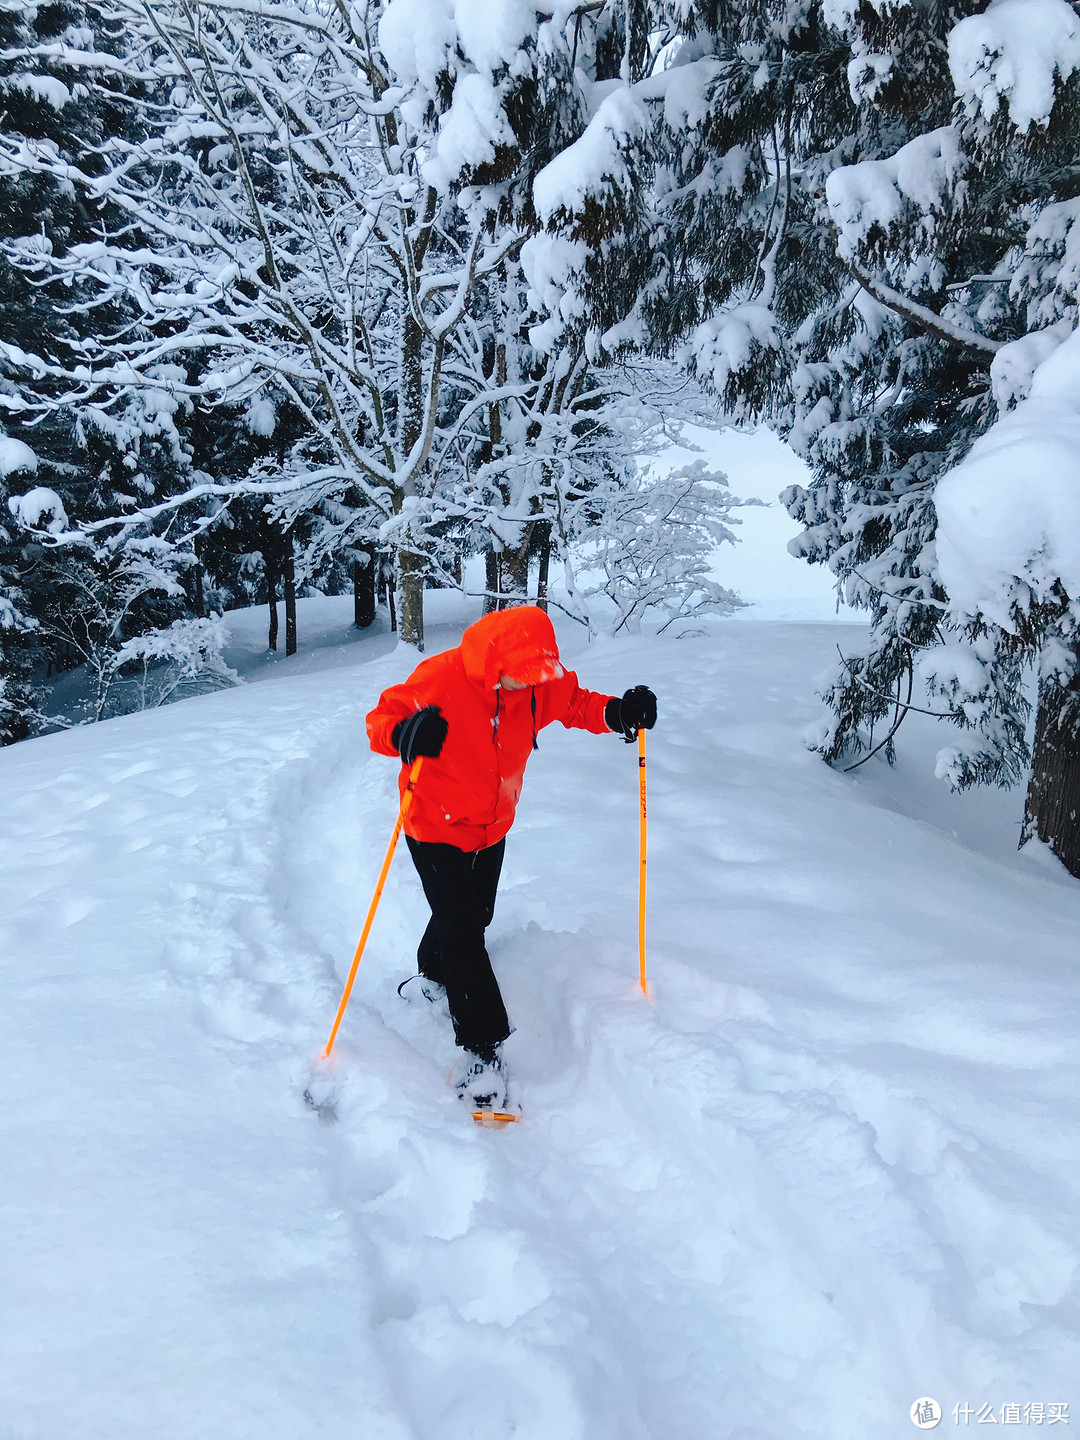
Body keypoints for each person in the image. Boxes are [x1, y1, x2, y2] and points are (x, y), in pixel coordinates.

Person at [366, 604, 656, 1109]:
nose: (523, 690)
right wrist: (403, 735)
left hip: (491, 826)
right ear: (492, 662)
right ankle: (482, 1048)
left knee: (474, 914)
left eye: (531, 681)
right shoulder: (440, 678)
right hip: (433, 826)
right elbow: (380, 721)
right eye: (514, 681)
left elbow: (575, 704)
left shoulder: (537, 681)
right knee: (463, 931)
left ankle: (430, 972)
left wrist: (618, 713)